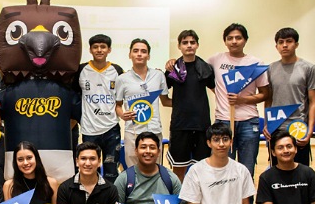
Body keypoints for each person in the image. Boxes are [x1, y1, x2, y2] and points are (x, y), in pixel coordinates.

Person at [168, 24, 269, 204]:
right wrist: (171, 62)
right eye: (230, 38)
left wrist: (242, 99)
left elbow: (265, 94)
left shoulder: (254, 63)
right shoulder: (215, 60)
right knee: (221, 170)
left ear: (245, 40)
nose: (234, 41)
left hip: (248, 121)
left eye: (238, 38)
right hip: (222, 121)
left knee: (246, 168)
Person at [263, 28, 315, 166]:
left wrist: (310, 131)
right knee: (277, 169)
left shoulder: (308, 68)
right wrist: (267, 123)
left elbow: (314, 102)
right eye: (281, 42)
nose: (284, 45)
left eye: (289, 41)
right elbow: (268, 99)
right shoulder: (270, 69)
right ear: (276, 46)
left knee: (300, 169)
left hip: (298, 127)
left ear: (296, 44)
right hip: (276, 126)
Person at [163, 30, 215, 182]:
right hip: (180, 125)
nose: (189, 45)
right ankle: (179, 198)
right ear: (179, 46)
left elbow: (217, 91)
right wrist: (180, 104)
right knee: (179, 169)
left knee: (203, 169)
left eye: (192, 42)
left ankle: (200, 197)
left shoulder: (206, 68)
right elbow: (164, 97)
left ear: (197, 45)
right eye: (185, 42)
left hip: (202, 125)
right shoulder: (173, 68)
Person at [75, 34, 124, 183]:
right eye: (95, 47)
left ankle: (111, 197)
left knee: (111, 171)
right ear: (90, 50)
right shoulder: (81, 70)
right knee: (89, 170)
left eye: (103, 47)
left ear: (109, 49)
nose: (99, 50)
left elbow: (121, 98)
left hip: (111, 129)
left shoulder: (117, 70)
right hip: (89, 130)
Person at [116, 38, 171, 168]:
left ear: (148, 56)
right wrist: (122, 115)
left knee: (155, 170)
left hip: (154, 129)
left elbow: (165, 101)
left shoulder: (159, 75)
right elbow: (118, 105)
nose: (139, 54)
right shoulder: (122, 79)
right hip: (132, 131)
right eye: (135, 51)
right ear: (130, 54)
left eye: (143, 51)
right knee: (133, 170)